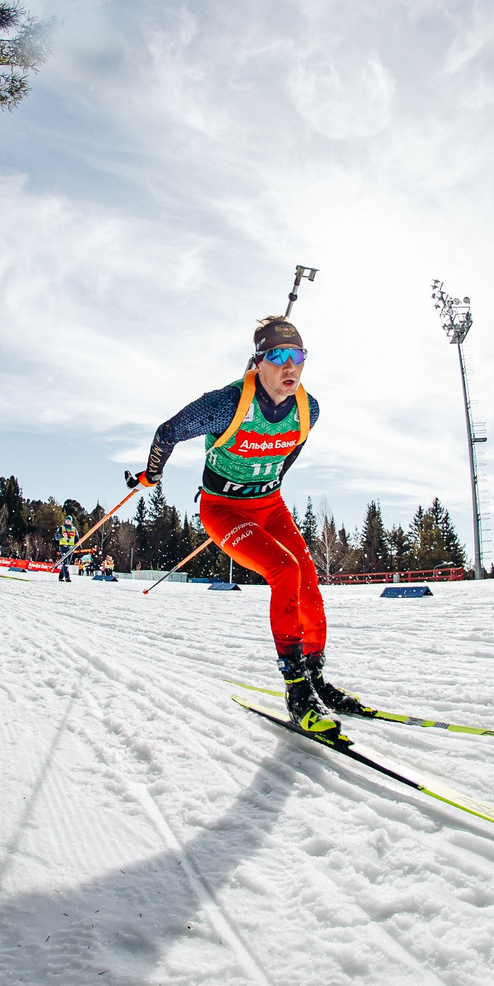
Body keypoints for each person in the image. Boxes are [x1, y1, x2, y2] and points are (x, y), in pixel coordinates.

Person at [135, 315, 359, 743]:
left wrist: (265, 481)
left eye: (298, 357)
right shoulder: (227, 403)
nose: (290, 367)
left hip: (270, 505)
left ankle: (315, 679)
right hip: (225, 510)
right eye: (278, 356)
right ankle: (297, 696)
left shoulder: (310, 409)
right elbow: (168, 432)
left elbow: (289, 453)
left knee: (309, 579)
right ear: (258, 362)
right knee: (284, 570)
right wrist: (152, 476)